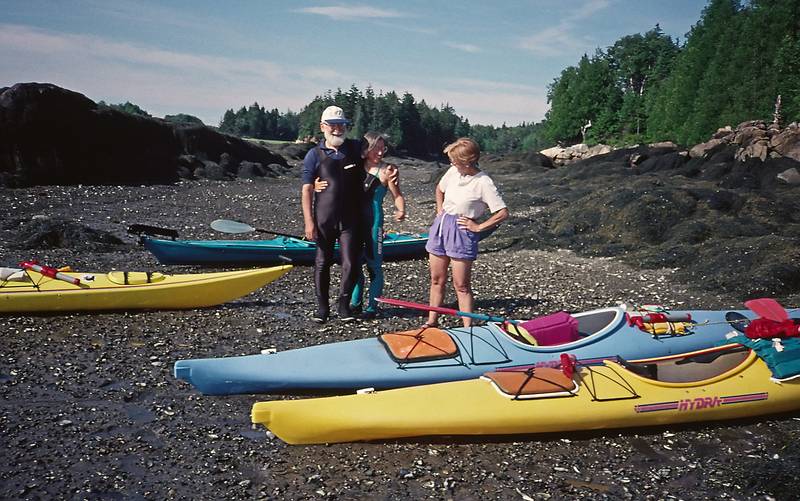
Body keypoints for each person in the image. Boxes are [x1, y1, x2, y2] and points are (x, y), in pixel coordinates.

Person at [424, 138, 509, 328]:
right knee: (437, 280)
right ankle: (432, 321)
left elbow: (502, 212)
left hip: (462, 232)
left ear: (468, 161)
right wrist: (440, 211)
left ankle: (467, 328)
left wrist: (478, 227)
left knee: (461, 285)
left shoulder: (483, 182)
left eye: (455, 160)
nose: (451, 163)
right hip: (441, 226)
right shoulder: (454, 171)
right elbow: (439, 188)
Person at [301, 105, 364, 323]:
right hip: (324, 219)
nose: (337, 129)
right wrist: (309, 222)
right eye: (332, 125)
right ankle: (322, 308)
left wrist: (389, 174)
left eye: (342, 125)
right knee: (321, 262)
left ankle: (344, 307)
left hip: (350, 220)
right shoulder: (314, 155)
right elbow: (307, 189)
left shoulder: (356, 148)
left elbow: (378, 153)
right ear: (322, 127)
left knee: (350, 263)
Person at [349, 132, 405, 319]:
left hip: (374, 223)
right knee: (354, 265)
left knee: (374, 265)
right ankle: (355, 303)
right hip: (354, 222)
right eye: (376, 148)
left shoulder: (388, 170)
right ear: (366, 149)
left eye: (383, 148)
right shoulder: (354, 166)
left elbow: (397, 195)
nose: (380, 152)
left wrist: (400, 210)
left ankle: (373, 306)